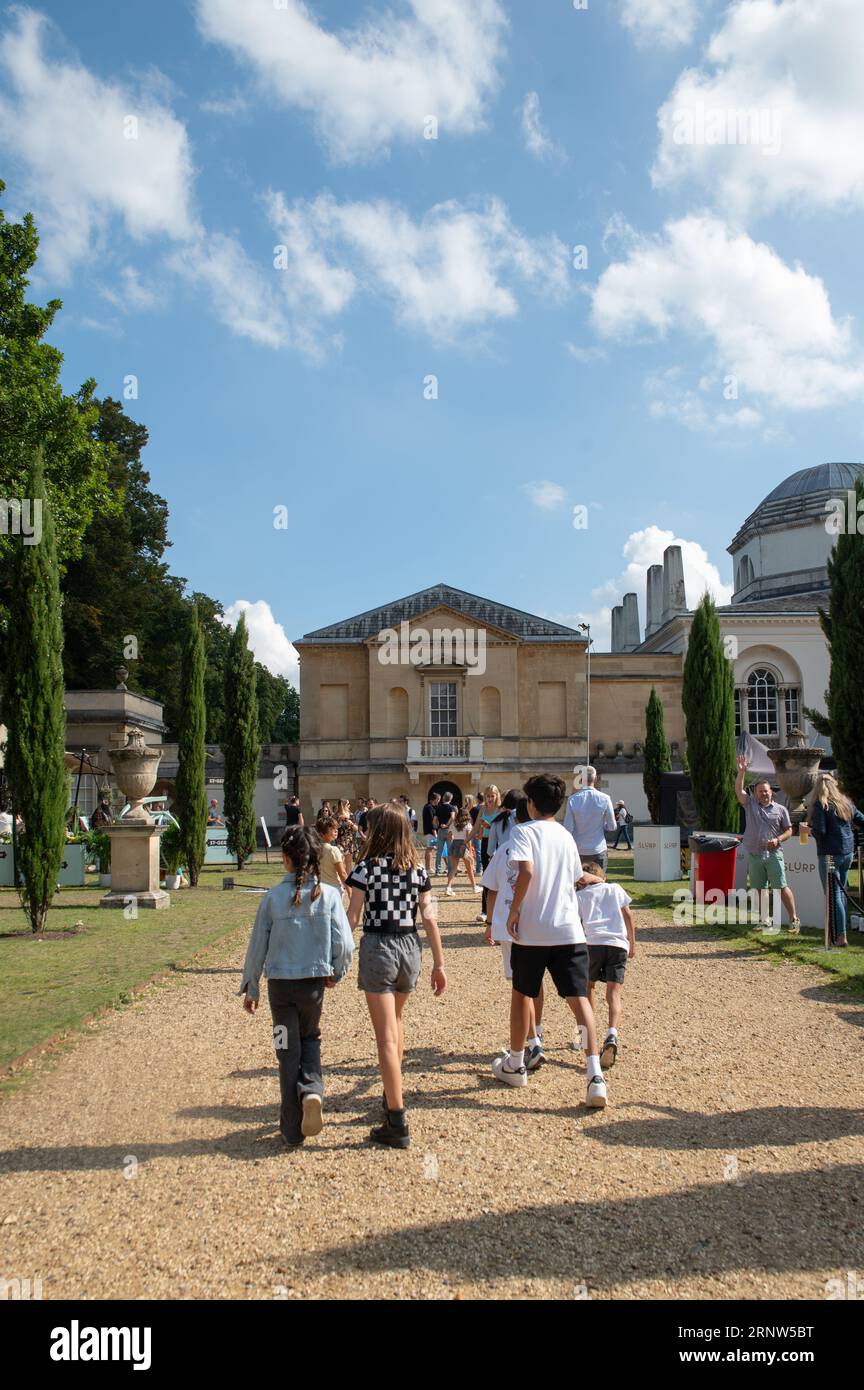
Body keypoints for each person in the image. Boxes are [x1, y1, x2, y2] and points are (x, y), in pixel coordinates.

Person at [492, 772, 608, 1109]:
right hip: (568, 929)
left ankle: (516, 1062)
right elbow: (575, 878)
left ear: (530, 803)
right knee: (579, 1001)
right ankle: (594, 1072)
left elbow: (525, 871)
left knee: (522, 993)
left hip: (533, 929)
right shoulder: (566, 837)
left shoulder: (522, 832)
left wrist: (514, 911)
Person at [240, 826, 354, 1147]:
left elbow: (256, 947)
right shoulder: (329, 896)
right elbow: (345, 944)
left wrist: (251, 987)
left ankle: (291, 1127)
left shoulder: (272, 899)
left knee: (285, 1048)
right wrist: (337, 971)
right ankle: (312, 1090)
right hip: (313, 987)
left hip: (280, 989)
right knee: (311, 1037)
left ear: (286, 860)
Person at [346, 803, 446, 1149]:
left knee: (386, 1037)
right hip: (410, 948)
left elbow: (354, 917)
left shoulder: (365, 869)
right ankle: (392, 1096)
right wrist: (440, 963)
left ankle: (397, 1118)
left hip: (379, 947)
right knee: (397, 1023)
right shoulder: (418, 872)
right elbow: (430, 918)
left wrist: (337, 953)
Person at [482, 795, 545, 1068]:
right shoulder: (548, 848)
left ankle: (531, 1043)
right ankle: (537, 1032)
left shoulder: (506, 849)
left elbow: (492, 889)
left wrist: (490, 924)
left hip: (512, 924)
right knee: (536, 983)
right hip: (541, 923)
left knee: (521, 987)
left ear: (515, 819)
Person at [577, 860, 635, 1069]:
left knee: (586, 989)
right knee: (613, 994)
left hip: (592, 944)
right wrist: (632, 943)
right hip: (618, 943)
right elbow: (628, 915)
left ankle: (585, 1036)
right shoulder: (615, 889)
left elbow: (577, 923)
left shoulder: (580, 896)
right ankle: (612, 1034)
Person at [735, 756, 801, 931]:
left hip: (773, 854)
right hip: (755, 854)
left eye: (766, 791)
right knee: (758, 889)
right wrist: (741, 772)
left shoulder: (781, 810)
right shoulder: (750, 805)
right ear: (755, 793)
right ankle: (765, 920)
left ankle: (793, 919)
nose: (763, 794)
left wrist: (777, 840)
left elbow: (789, 830)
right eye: (760, 791)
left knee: (781, 887)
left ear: (771, 792)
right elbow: (738, 791)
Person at [805, 773, 864, 948]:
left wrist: (808, 831)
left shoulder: (821, 805)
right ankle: (840, 930)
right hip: (847, 853)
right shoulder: (845, 803)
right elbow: (862, 819)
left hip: (829, 854)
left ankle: (840, 935)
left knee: (834, 895)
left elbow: (820, 831)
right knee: (842, 892)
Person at [563, 767, 615, 872]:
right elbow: (612, 826)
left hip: (579, 849)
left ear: (581, 780)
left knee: (581, 885)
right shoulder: (605, 798)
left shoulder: (572, 799)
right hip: (598, 848)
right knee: (599, 884)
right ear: (595, 779)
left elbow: (568, 828)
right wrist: (602, 824)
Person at [471, 785, 501, 922]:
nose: (489, 798)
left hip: (499, 844)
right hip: (485, 843)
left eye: (492, 795)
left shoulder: (501, 809)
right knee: (487, 878)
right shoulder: (482, 809)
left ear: (496, 796)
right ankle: (485, 910)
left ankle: (498, 910)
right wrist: (465, 840)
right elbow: (476, 827)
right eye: (487, 796)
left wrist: (490, 826)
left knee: (500, 877)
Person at [445, 805, 481, 896]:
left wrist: (454, 838)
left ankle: (448, 887)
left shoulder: (453, 824)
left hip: (454, 844)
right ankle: (474, 887)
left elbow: (449, 837)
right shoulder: (468, 825)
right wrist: (470, 851)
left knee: (454, 868)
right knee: (469, 868)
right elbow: (468, 838)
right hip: (463, 845)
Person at [316, 814, 347, 893]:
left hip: (319, 888)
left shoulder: (314, 849)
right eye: (332, 829)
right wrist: (350, 891)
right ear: (322, 833)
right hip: (334, 889)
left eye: (336, 828)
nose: (336, 830)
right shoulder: (333, 850)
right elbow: (342, 873)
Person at [433, 791, 457, 875]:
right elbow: (453, 818)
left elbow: (435, 820)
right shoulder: (452, 808)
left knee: (439, 851)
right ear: (451, 799)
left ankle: (437, 870)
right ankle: (450, 870)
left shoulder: (438, 807)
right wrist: (447, 825)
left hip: (440, 830)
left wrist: (437, 826)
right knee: (450, 851)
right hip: (449, 830)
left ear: (443, 798)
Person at [421, 792, 441, 876]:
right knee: (430, 849)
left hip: (430, 831)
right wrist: (434, 832)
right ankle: (428, 868)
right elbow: (431, 821)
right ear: (435, 799)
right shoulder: (429, 808)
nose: (438, 801)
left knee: (430, 849)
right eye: (438, 800)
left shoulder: (428, 807)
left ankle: (428, 867)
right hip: (431, 832)